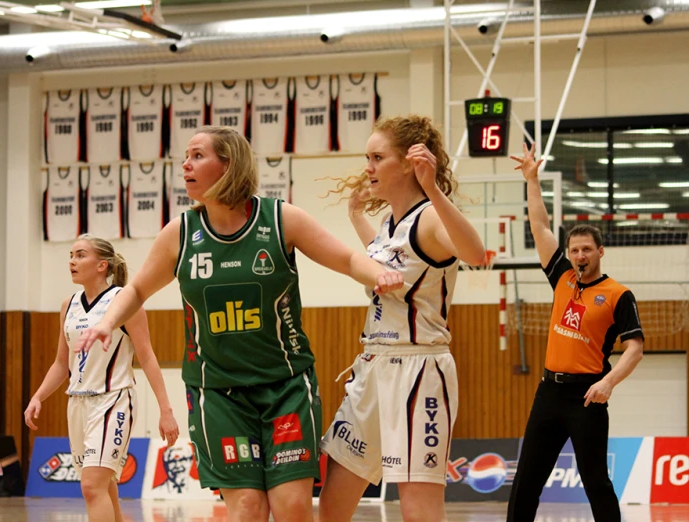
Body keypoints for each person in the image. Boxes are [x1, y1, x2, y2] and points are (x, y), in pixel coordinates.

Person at [75, 126, 404, 522]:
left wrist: (378, 274)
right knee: (247, 508)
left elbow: (348, 259)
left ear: (228, 165)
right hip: (218, 393)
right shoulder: (180, 233)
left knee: (293, 507)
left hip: (285, 387)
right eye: (186, 157)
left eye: (198, 155)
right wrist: (108, 322)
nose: (185, 164)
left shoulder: (281, 218)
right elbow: (138, 289)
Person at [318, 115, 487, 522]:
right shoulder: (389, 224)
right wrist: (357, 217)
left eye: (377, 157)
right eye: (367, 157)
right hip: (374, 366)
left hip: (419, 369)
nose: (368, 167)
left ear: (409, 164)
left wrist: (432, 188)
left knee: (418, 511)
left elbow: (476, 253)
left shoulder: (430, 217)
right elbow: (381, 261)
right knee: (333, 503)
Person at [506, 143, 645, 522]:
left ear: (600, 251)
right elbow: (540, 226)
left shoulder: (618, 294)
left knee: (595, 482)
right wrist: (532, 180)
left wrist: (609, 383)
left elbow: (635, 348)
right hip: (549, 391)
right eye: (574, 250)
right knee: (526, 481)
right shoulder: (563, 278)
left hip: (588, 395)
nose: (580, 255)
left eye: (587, 249)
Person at [24, 234, 179, 522]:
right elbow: (61, 363)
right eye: (71, 254)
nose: (72, 261)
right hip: (78, 403)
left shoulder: (125, 300)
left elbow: (146, 357)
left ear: (102, 265)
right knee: (105, 486)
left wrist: (166, 410)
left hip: (114, 400)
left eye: (80, 255)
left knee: (91, 486)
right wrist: (38, 396)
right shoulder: (67, 305)